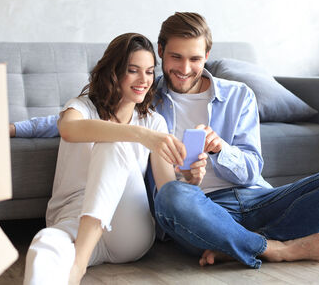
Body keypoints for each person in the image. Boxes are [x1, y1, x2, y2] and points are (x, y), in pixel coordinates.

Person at [14, 12, 319, 270]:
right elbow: (91, 114)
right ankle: (274, 249)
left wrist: (221, 150)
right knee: (173, 194)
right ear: (161, 51)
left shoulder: (239, 96)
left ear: (208, 56)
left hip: (253, 197)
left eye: (195, 59)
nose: (184, 69)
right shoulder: (146, 97)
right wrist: (13, 128)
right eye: (174, 57)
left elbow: (253, 168)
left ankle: (232, 246)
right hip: (191, 209)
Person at [22, 33, 206, 285]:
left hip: (127, 231)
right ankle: (81, 257)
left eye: (150, 72)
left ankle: (78, 266)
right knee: (44, 245)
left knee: (113, 146)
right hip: (73, 219)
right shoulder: (81, 107)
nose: (144, 80)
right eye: (133, 70)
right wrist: (140, 135)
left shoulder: (154, 121)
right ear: (114, 71)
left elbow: (166, 190)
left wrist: (190, 180)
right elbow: (69, 130)